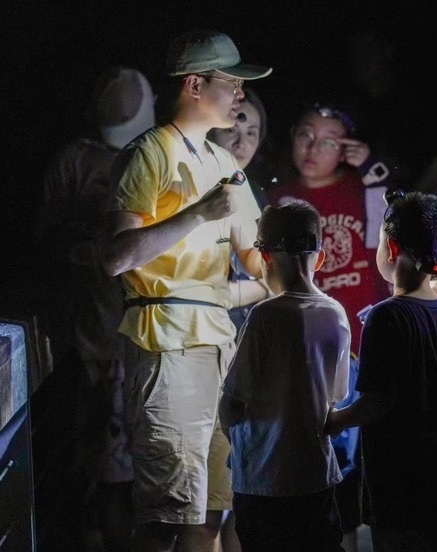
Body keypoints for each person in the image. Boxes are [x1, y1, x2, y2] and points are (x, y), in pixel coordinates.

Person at [101, 30, 270, 552]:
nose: (240, 95)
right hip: (166, 341)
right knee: (165, 515)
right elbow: (116, 257)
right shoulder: (148, 153)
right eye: (232, 82)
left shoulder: (225, 166)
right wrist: (196, 214)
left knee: (213, 511)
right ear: (195, 85)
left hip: (219, 346)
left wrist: (296, 257)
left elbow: (258, 260)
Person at [38, 65, 156, 552]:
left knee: (153, 469)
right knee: (110, 471)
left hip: (153, 338)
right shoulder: (74, 161)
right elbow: (46, 241)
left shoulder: (159, 155)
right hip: (99, 343)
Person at [325, 191, 437, 552]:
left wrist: (334, 420)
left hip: (399, 476)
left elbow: (376, 402)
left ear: (390, 250)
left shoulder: (385, 316)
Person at [219, 200, 350, 551]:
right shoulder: (336, 314)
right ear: (320, 259)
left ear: (264, 258)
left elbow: (231, 402)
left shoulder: (265, 316)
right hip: (316, 478)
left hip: (263, 483)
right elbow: (336, 396)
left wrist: (242, 445)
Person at [266, 103, 391, 355]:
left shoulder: (364, 190)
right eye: (306, 135)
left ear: (345, 150)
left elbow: (393, 230)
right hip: (307, 335)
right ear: (293, 135)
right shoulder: (275, 201)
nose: (313, 149)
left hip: (366, 328)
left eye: (328, 142)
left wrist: (370, 166)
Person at [208, 88, 273, 335]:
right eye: (231, 130)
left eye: (251, 133)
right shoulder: (195, 187)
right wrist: (264, 287)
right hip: (206, 326)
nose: (241, 143)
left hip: (247, 327)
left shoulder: (254, 192)